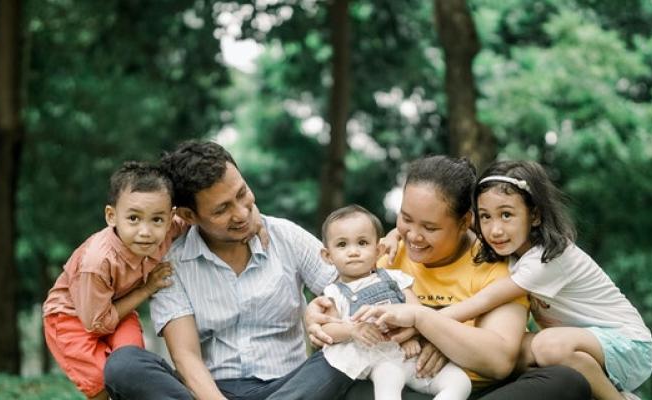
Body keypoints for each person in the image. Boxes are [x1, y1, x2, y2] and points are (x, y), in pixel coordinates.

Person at [309, 155, 592, 400]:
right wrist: (315, 317)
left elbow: (499, 360)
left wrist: (430, 326)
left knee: (566, 383)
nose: (413, 236)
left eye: (430, 227)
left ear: (465, 221)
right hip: (397, 387)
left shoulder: (495, 263)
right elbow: (340, 321)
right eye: (406, 218)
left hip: (470, 391)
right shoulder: (387, 253)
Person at [103, 140, 353, 400]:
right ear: (188, 216)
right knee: (124, 365)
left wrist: (323, 309)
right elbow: (186, 356)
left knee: (350, 352)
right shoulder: (171, 265)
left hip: (292, 387)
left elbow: (355, 287)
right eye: (222, 209)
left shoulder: (285, 236)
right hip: (214, 391)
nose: (241, 213)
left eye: (242, 194)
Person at [429, 160, 652, 400]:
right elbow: (447, 225)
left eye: (506, 215)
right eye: (486, 217)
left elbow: (483, 300)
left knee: (547, 346)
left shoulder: (548, 258)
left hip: (630, 347)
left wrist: (425, 323)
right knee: (503, 350)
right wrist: (396, 235)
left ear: (534, 215)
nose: (494, 230)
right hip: (577, 346)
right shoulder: (512, 251)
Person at [43, 161, 185, 400]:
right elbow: (95, 323)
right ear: (111, 216)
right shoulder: (97, 262)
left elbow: (201, 219)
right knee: (100, 383)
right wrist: (147, 288)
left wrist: (255, 221)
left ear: (170, 218)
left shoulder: (169, 230)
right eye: (133, 218)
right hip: (72, 317)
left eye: (157, 220)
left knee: (132, 369)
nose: (146, 232)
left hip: (118, 308)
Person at [319, 204, 471, 400]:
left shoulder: (395, 279)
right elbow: (327, 330)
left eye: (362, 243)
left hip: (412, 357)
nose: (353, 251)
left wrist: (412, 338)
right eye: (342, 245)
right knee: (388, 383)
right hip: (379, 361)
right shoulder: (334, 293)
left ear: (378, 250)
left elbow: (418, 313)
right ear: (328, 256)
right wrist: (351, 331)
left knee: (460, 382)